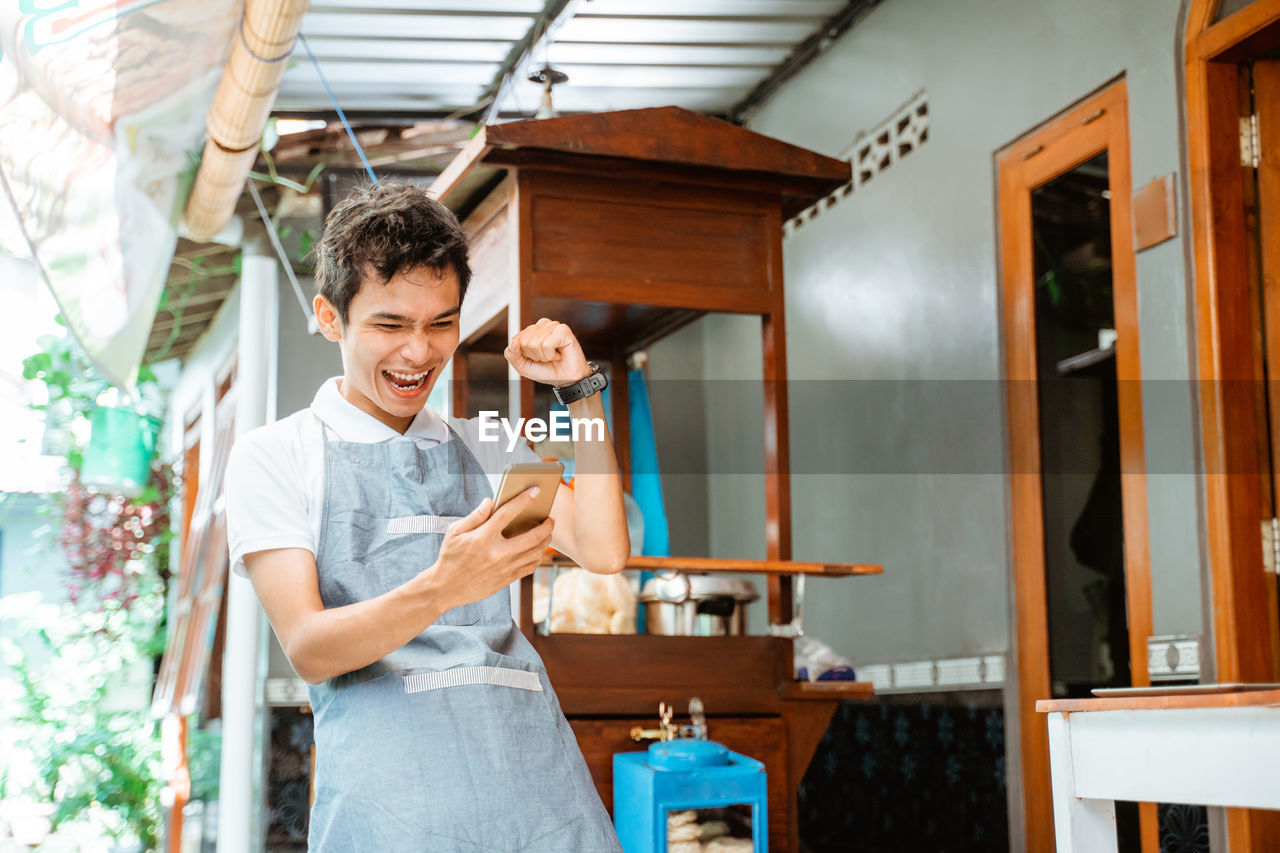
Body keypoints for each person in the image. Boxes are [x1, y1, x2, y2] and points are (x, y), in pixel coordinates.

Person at [225, 182, 630, 852]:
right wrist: (445, 585)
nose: (418, 353)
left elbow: (604, 548)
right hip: (392, 822)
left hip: (544, 810)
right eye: (390, 325)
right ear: (331, 317)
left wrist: (579, 391)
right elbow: (309, 645)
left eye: (440, 323)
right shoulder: (276, 456)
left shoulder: (488, 443)